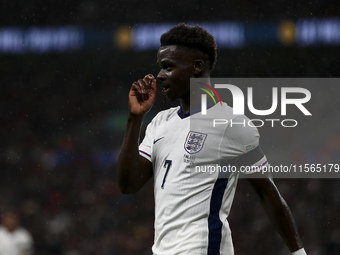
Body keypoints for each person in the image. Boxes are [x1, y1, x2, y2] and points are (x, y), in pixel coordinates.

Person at [117, 23, 306, 255]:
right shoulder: (160, 123)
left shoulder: (230, 123)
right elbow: (128, 185)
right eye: (160, 67)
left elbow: (267, 192)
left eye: (168, 67)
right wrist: (134, 118)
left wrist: (299, 252)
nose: (159, 75)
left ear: (197, 67)